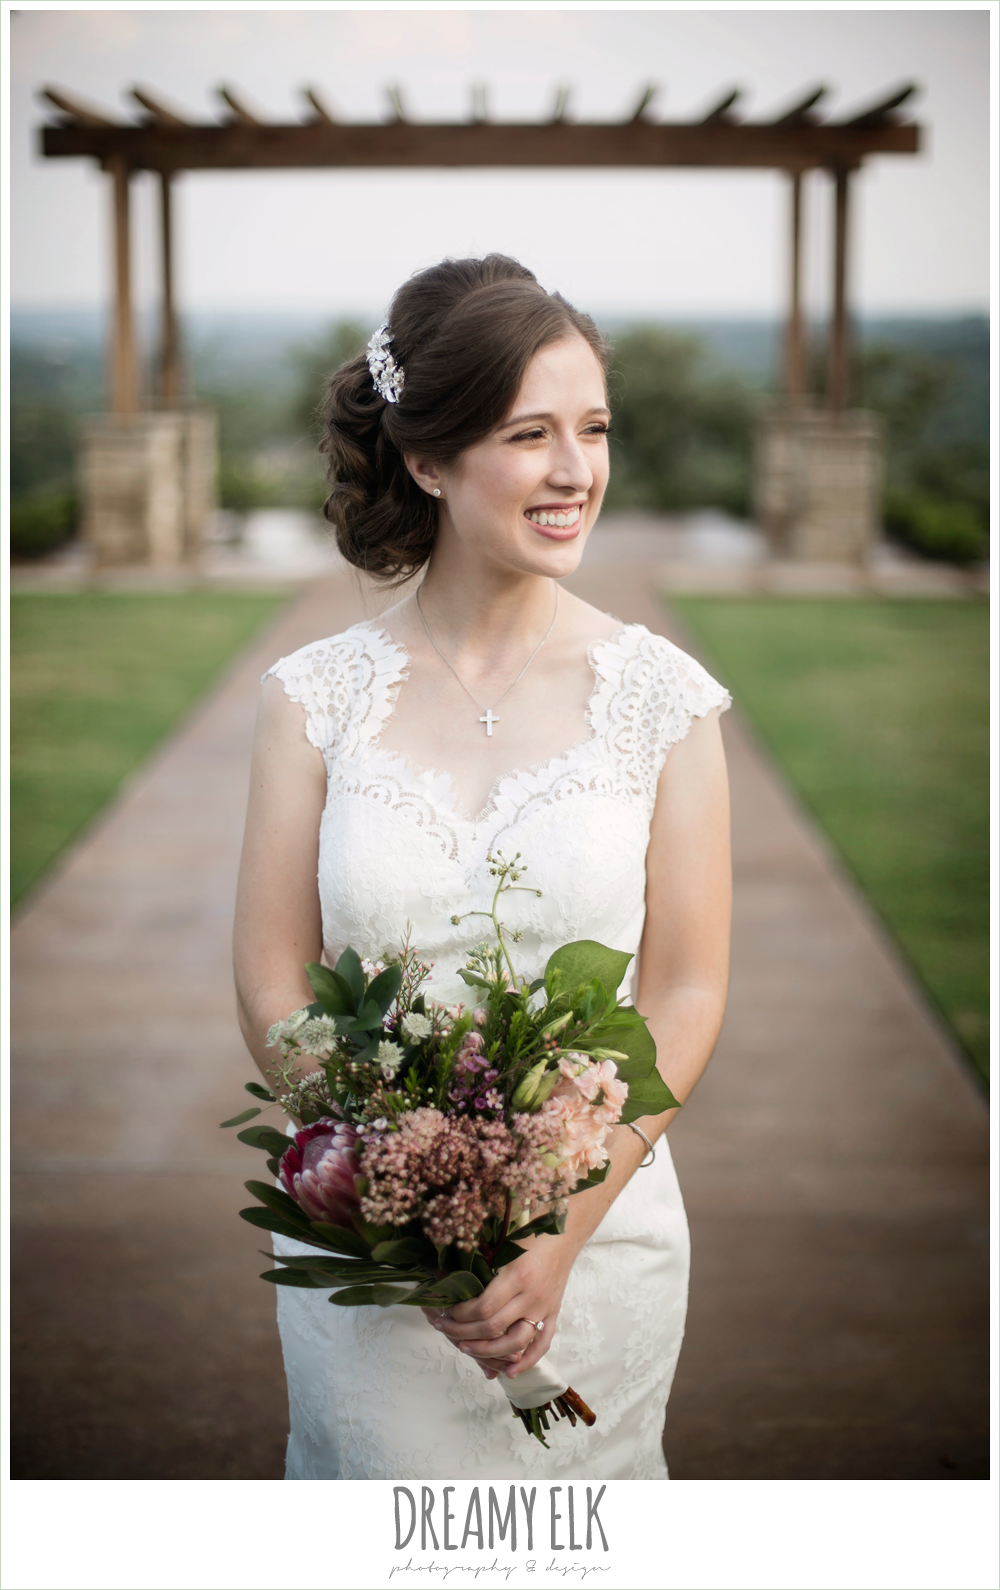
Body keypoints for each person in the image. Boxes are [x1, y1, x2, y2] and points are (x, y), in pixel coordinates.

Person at [233, 254, 731, 1481]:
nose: (576, 473)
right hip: (374, 1275)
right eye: (529, 434)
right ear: (428, 460)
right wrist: (393, 1199)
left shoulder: (662, 699)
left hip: (597, 1246)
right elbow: (270, 973)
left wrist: (552, 1239)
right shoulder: (313, 701)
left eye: (594, 429)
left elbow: (683, 992)